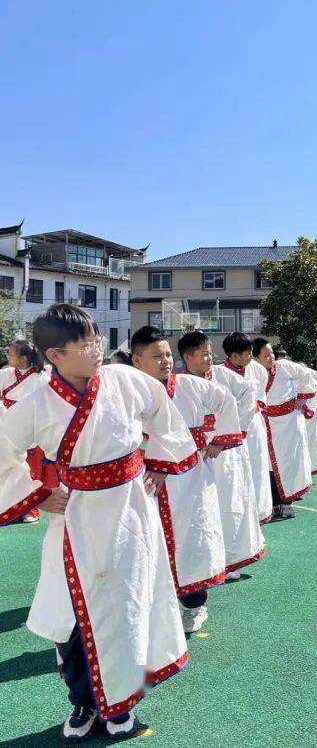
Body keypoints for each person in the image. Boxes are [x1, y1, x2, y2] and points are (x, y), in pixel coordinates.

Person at [0, 305, 197, 741]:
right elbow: (3, 452)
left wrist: (161, 463)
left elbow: (164, 414)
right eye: (86, 343)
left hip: (130, 511)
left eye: (97, 338)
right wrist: (38, 493)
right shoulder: (35, 403)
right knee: (71, 615)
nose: (97, 348)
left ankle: (121, 702)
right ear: (54, 354)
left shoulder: (124, 380)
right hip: (77, 519)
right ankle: (84, 702)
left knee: (127, 606)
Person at [132, 326, 243, 634]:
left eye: (168, 354)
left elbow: (226, 402)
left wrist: (220, 440)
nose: (166, 361)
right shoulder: (128, 392)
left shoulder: (191, 386)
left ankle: (194, 606)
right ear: (137, 360)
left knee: (193, 537)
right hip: (144, 479)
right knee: (146, 539)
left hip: (190, 478)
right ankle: (152, 607)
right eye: (157, 356)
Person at [178, 331, 265, 576]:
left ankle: (231, 560)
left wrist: (227, 433)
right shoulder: (179, 383)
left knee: (229, 503)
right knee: (202, 509)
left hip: (225, 455)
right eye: (203, 354)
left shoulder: (222, 375)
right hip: (197, 457)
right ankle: (206, 560)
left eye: (209, 352)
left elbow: (250, 395)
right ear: (187, 357)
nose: (209, 358)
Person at [252, 337, 317, 519]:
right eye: (266, 355)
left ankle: (287, 502)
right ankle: (272, 503)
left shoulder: (284, 366)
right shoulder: (252, 373)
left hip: (289, 424)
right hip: (265, 424)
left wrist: (303, 398)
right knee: (268, 464)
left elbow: (307, 375)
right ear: (255, 358)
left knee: (289, 462)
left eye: (272, 353)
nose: (271, 357)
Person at [219, 332, 273, 524]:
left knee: (257, 468)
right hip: (231, 429)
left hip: (254, 427)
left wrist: (256, 404)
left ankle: (259, 513)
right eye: (248, 353)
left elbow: (262, 391)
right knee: (234, 471)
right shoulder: (219, 373)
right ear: (234, 356)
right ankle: (237, 517)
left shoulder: (257, 369)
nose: (250, 357)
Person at [0, 340, 46, 522]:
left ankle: (31, 510)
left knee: (31, 471)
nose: (8, 356)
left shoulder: (42, 377)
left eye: (11, 354)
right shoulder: (4, 374)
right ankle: (6, 508)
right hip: (7, 426)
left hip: (31, 428)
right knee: (7, 469)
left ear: (24, 358)